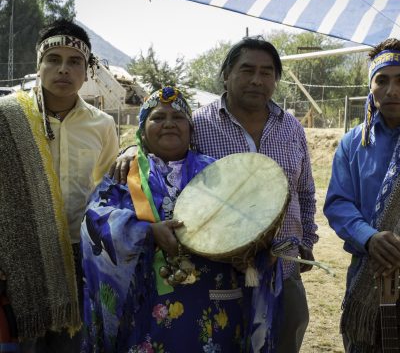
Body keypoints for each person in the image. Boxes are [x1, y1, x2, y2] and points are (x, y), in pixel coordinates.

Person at [113, 36, 318, 353]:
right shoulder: (198, 124)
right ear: (226, 74)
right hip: (220, 277)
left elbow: (305, 192)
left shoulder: (292, 127)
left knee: (283, 341)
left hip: (282, 268)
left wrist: (308, 241)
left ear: (276, 79)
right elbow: (164, 144)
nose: (256, 79)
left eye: (266, 72)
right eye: (246, 69)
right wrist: (132, 149)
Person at [81, 87, 281, 353]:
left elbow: (250, 223)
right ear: (142, 129)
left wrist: (264, 250)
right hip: (145, 315)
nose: (168, 124)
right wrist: (146, 232)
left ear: (190, 127)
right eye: (157, 118)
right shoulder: (124, 174)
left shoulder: (219, 173)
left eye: (178, 117)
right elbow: (94, 222)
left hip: (215, 307)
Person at [0, 19, 119, 352]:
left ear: (87, 71)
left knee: (69, 345)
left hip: (79, 259)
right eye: (53, 59)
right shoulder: (7, 116)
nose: (63, 69)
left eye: (74, 61)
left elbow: (106, 189)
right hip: (17, 258)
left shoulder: (102, 124)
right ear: (38, 66)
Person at [324, 38, 400, 352]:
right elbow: (339, 203)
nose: (392, 90)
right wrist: (369, 237)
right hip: (369, 274)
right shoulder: (353, 143)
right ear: (370, 86)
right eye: (382, 80)